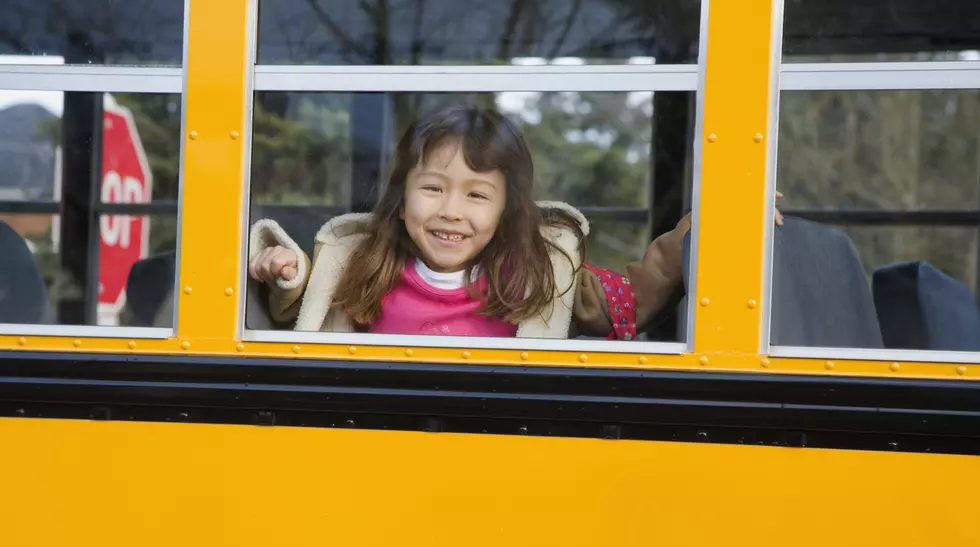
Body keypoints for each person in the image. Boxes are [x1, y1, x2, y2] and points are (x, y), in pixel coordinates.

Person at [248, 105, 764, 340]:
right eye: (432, 189)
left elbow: (628, 296)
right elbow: (302, 303)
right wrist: (285, 270)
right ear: (402, 202)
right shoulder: (364, 264)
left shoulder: (536, 272)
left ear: (505, 212)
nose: (451, 210)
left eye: (477, 195)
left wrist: (709, 224)